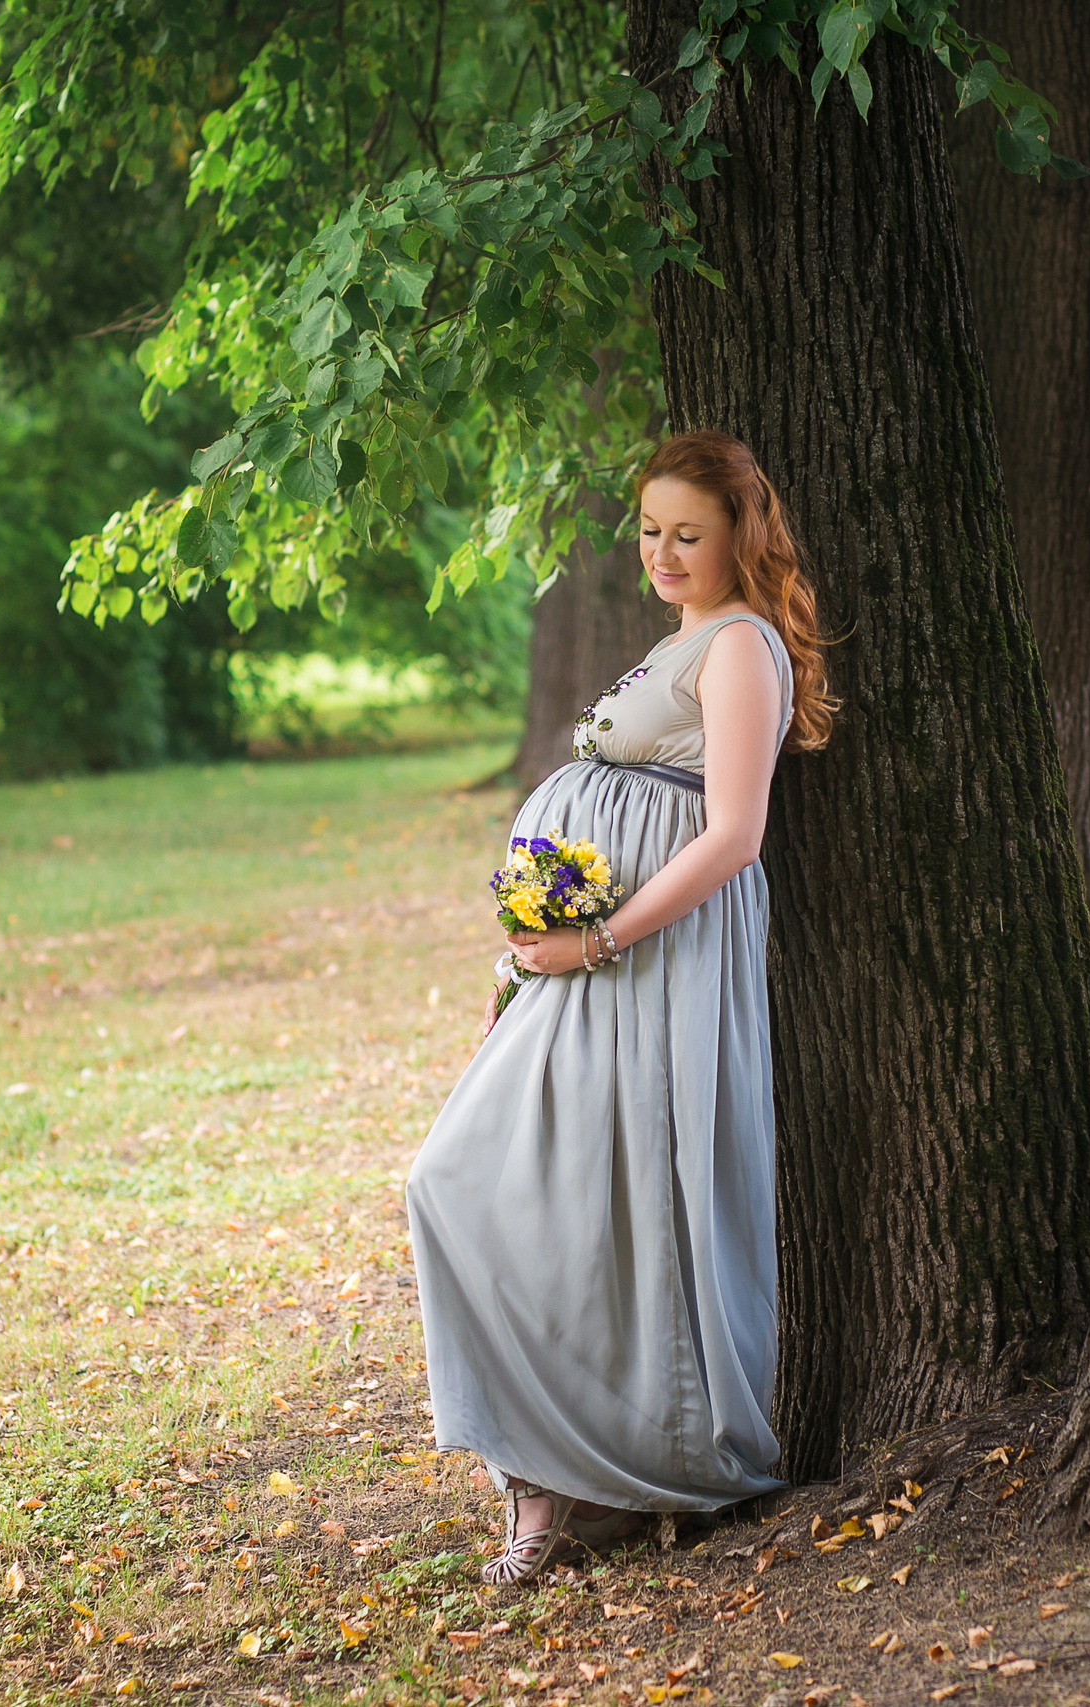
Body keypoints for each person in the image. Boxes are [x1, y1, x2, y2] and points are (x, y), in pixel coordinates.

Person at [404, 430, 835, 1587]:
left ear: (741, 534)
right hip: (586, 968)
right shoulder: (681, 640)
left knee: (605, 1200)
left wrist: (594, 937)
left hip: (650, 968)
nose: (662, 551)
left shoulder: (740, 646)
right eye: (649, 530)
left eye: (687, 533)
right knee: (484, 1182)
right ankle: (545, 1480)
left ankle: (608, 1474)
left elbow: (734, 836)